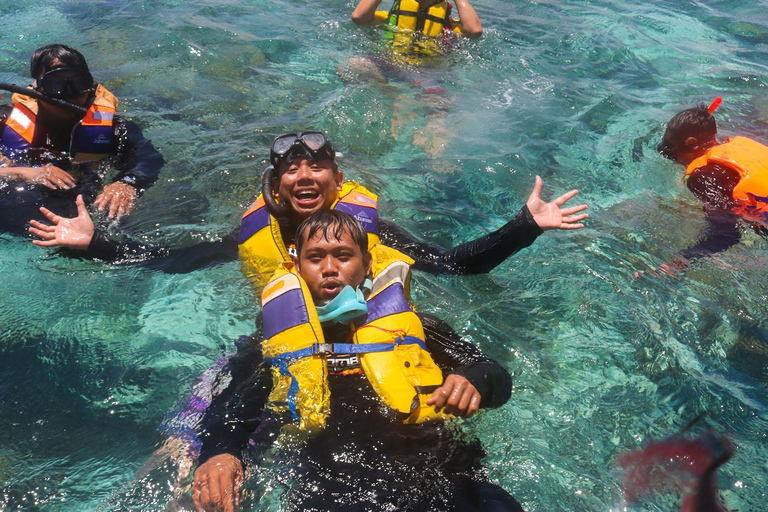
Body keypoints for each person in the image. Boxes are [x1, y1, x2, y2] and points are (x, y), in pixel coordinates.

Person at [191, 210, 524, 512]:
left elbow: (496, 376)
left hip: (441, 470)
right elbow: (235, 404)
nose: (330, 268)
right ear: (298, 267)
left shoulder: (415, 326)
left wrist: (473, 380)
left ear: (366, 264)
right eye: (315, 258)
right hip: (333, 484)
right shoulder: (276, 339)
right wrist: (220, 454)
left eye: (343, 256)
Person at [29, 130, 588, 287]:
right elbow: (165, 259)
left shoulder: (368, 232)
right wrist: (92, 244)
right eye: (291, 168)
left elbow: (458, 265)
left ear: (337, 180)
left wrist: (525, 226)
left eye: (316, 167)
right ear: (275, 183)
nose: (304, 175)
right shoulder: (253, 234)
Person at [0, 44, 164, 233]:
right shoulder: (4, 121)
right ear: (38, 88)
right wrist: (24, 172)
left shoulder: (114, 130)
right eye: (56, 83)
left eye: (78, 83)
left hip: (80, 206)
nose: (69, 94)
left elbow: (148, 160)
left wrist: (126, 184)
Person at [648, 98, 768, 276]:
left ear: (691, 144)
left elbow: (727, 235)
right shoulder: (741, 145)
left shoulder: (701, 177)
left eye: (670, 148)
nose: (668, 154)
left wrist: (675, 264)